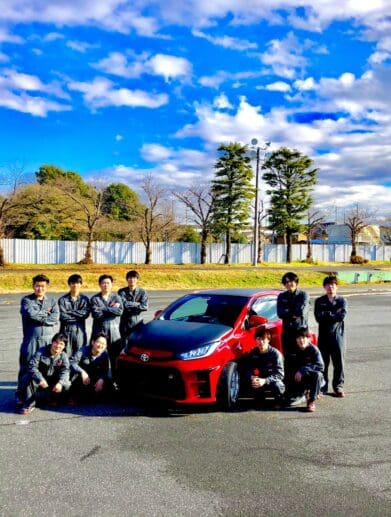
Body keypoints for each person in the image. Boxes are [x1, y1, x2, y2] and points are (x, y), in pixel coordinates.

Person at [16, 274, 60, 401]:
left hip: (48, 340)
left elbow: (55, 317)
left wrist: (42, 316)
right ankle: (21, 394)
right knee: (27, 367)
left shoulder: (52, 301)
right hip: (31, 340)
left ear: (46, 287)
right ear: (33, 286)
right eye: (37, 286)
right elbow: (31, 314)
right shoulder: (27, 300)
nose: (40, 289)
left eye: (43, 286)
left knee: (46, 367)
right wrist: (46, 313)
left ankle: (43, 394)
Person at [277, 272, 310, 405]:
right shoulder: (282, 296)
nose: (289, 284)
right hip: (287, 334)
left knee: (301, 362)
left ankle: (301, 392)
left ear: (296, 282)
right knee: (289, 362)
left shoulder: (303, 295)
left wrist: (289, 312)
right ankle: (290, 390)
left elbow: (300, 312)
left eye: (291, 281)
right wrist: (292, 313)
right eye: (286, 282)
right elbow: (280, 313)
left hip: (300, 334)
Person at [18, 333, 70, 415]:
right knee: (28, 377)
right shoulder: (41, 351)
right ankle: (29, 404)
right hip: (40, 382)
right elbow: (32, 366)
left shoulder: (63, 356)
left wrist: (60, 383)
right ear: (52, 342)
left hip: (52, 382)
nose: (58, 345)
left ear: (64, 347)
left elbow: (66, 371)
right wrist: (40, 378)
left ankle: (53, 398)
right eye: (56, 342)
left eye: (61, 344)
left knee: (67, 383)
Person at [314, 275, 347, 398]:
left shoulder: (342, 301)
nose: (330, 287)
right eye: (328, 285)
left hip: (338, 337)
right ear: (324, 287)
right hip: (323, 337)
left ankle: (338, 386)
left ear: (336, 287)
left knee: (339, 363)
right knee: (323, 363)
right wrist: (332, 313)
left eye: (333, 284)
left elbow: (341, 316)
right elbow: (318, 318)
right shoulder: (319, 301)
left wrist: (326, 315)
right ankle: (322, 387)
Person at [90, 275, 123, 379]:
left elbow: (119, 311)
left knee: (115, 357)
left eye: (108, 283)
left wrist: (103, 309)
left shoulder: (117, 297)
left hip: (114, 332)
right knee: (98, 356)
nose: (106, 285)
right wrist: (110, 309)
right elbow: (96, 314)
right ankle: (98, 379)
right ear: (99, 284)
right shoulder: (95, 298)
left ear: (111, 284)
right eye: (103, 283)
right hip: (99, 331)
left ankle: (115, 380)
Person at [242, 328, 285, 407]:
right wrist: (251, 377)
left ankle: (279, 400)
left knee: (277, 385)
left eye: (263, 339)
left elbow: (280, 375)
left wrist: (265, 381)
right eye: (258, 339)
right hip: (261, 378)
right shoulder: (254, 352)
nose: (261, 342)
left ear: (268, 340)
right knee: (250, 381)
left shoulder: (275, 354)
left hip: (272, 380)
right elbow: (248, 368)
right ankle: (259, 399)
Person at [69, 333, 112, 402]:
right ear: (93, 342)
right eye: (99, 342)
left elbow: (105, 370)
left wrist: (101, 379)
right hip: (83, 379)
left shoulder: (105, 354)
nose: (101, 346)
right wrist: (82, 371)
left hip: (95, 379)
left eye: (104, 344)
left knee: (109, 384)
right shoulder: (83, 350)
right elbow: (71, 362)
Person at [291, 328, 325, 412]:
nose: (301, 340)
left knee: (318, 374)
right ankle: (303, 392)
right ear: (296, 340)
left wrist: (303, 370)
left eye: (303, 338)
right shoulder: (293, 350)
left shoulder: (314, 350)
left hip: (312, 378)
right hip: (298, 378)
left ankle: (311, 401)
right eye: (299, 338)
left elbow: (321, 366)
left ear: (308, 339)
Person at [58, 274, 90, 357]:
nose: (75, 285)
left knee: (79, 355)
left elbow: (85, 315)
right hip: (65, 331)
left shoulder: (84, 299)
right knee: (65, 355)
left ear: (81, 284)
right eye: (73, 283)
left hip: (79, 331)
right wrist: (77, 315)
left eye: (78, 283)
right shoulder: (62, 300)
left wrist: (70, 312)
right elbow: (62, 316)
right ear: (69, 284)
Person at [118, 270, 148, 342]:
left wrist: (129, 304)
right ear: (127, 279)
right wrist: (137, 304)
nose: (132, 280)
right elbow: (123, 304)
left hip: (137, 321)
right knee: (124, 343)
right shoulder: (122, 291)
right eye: (130, 278)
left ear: (137, 279)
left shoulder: (142, 292)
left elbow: (145, 306)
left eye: (134, 278)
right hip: (124, 321)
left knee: (137, 342)